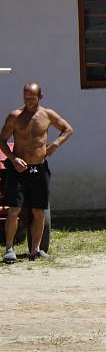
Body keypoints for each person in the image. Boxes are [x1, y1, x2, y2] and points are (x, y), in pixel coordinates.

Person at [2, 83, 73, 263]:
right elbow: (2, 140)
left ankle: (36, 249)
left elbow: (68, 129)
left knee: (39, 211)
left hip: (39, 168)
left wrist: (55, 145)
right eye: (26, 98)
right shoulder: (15, 116)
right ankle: (9, 249)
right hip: (18, 169)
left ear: (40, 97)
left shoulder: (47, 115)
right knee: (14, 209)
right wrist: (12, 159)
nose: (29, 102)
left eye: (32, 99)